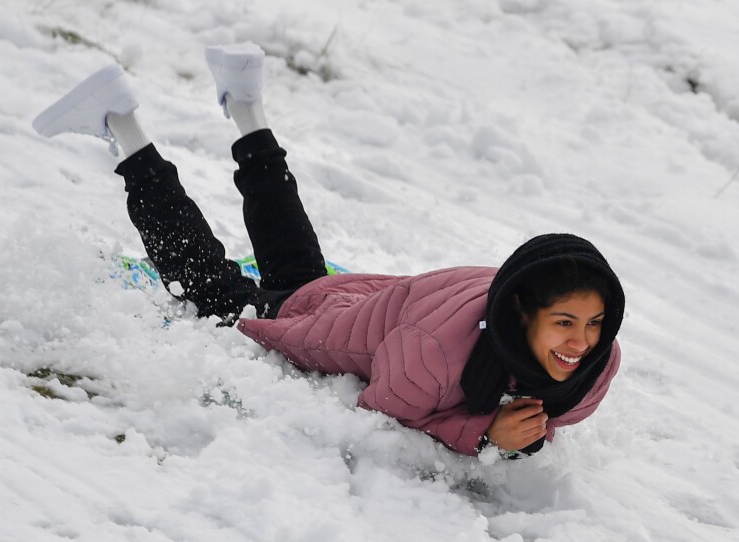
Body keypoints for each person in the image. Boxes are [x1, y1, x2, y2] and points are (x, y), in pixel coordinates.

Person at [33, 43, 625, 459]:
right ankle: (121, 122)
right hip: (321, 325)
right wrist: (484, 434)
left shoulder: (595, 366)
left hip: (355, 303)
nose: (581, 342)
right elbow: (382, 414)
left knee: (293, 259)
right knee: (202, 280)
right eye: (565, 322)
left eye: (595, 322)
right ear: (521, 310)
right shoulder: (435, 356)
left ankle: (245, 104)